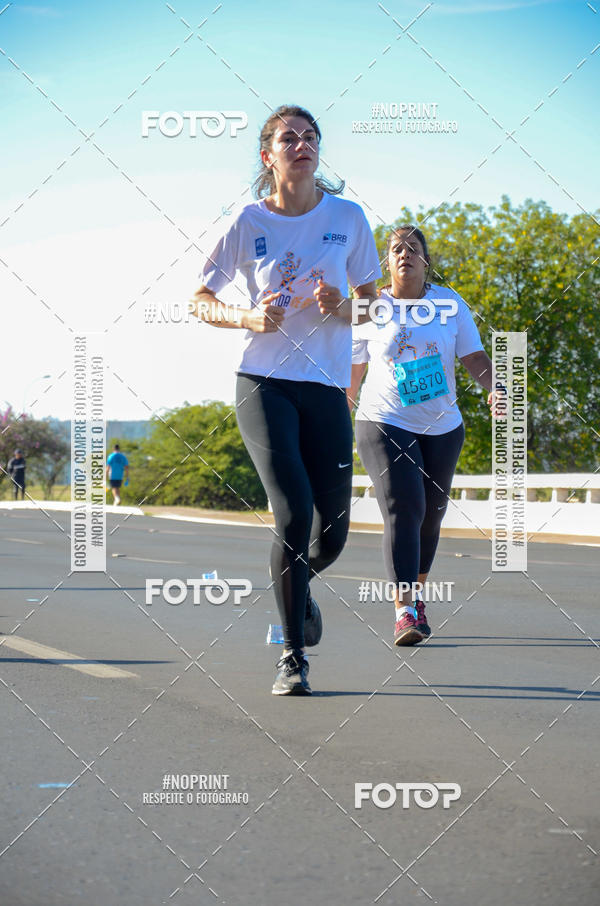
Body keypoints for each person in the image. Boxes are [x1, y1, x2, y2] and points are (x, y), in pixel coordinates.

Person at [192, 104, 381, 695]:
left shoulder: (347, 218)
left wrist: (342, 308)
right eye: (289, 138)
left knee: (333, 536)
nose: (302, 145)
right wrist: (247, 315)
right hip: (263, 383)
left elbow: (375, 303)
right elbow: (200, 298)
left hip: (325, 388)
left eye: (311, 137)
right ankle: (292, 657)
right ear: (268, 155)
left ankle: (294, 589)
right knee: (294, 515)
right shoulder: (248, 221)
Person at [349, 225, 498, 646]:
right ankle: (404, 611)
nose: (404, 255)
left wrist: (495, 387)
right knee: (405, 506)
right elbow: (354, 367)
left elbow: (473, 356)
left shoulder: (449, 304)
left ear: (425, 260)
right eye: (396, 249)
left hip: (443, 425)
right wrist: (341, 404)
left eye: (413, 249)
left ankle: (417, 596)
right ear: (386, 262)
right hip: (383, 419)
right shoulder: (370, 307)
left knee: (431, 516)